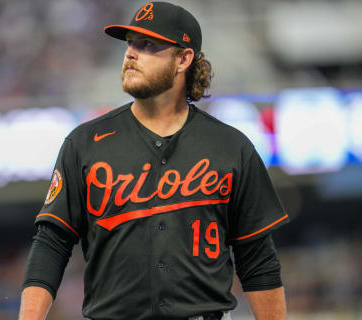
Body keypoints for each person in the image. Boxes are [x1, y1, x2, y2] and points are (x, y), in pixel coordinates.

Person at [19, 2, 289, 320]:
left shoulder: (231, 147)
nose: (131, 53)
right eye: (130, 43)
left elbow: (256, 258)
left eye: (148, 45)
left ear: (184, 59)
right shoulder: (84, 144)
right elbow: (52, 243)